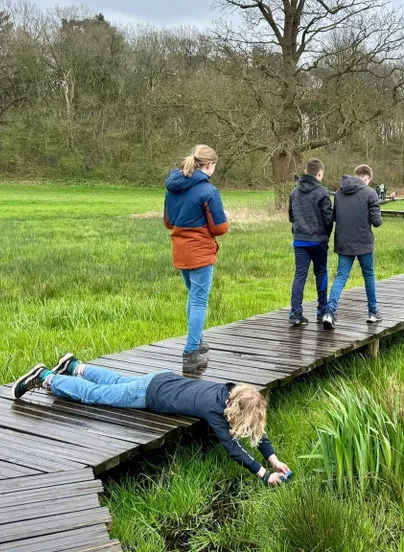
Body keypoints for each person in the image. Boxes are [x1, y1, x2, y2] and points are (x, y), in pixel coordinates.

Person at [13, 354, 292, 486]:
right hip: (150, 394)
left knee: (118, 381)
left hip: (162, 377)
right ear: (237, 413)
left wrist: (273, 459)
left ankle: (75, 366)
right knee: (97, 395)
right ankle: (47, 377)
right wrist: (264, 475)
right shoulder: (213, 410)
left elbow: (256, 430)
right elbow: (233, 449)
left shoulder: (229, 392)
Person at [164, 145, 229, 373]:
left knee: (193, 297)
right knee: (200, 300)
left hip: (180, 250)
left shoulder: (172, 188)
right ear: (209, 165)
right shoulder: (208, 191)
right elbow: (220, 228)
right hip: (200, 252)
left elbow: (168, 222)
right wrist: (225, 217)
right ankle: (191, 353)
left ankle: (198, 341)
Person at [321, 165, 383, 329]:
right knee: (368, 275)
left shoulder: (340, 192)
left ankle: (329, 312)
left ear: (356, 175)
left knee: (341, 277)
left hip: (344, 242)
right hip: (364, 243)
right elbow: (377, 222)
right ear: (367, 178)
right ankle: (373, 312)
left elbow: (334, 217)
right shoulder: (370, 193)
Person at [288, 159, 334, 325]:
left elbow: (291, 216)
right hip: (318, 240)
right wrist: (325, 234)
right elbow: (328, 218)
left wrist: (298, 229)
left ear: (306, 171)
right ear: (319, 173)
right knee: (321, 272)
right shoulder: (322, 192)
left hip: (300, 239)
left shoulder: (294, 192)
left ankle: (295, 312)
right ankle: (322, 309)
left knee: (300, 274)